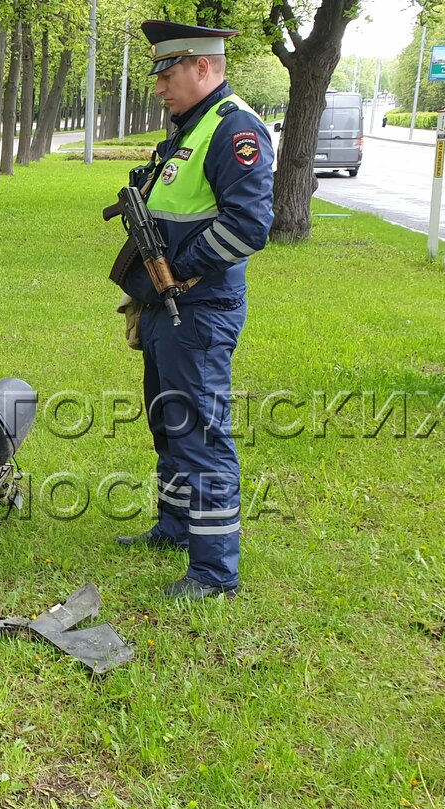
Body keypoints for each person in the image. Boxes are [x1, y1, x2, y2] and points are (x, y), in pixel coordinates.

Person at [112, 20, 274, 600]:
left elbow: (250, 225)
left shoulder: (235, 131)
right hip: (168, 306)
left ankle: (213, 571)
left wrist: (182, 268)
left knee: (201, 434)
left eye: (168, 72)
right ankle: (177, 526)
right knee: (168, 421)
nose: (159, 86)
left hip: (199, 308)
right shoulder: (192, 128)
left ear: (203, 67)